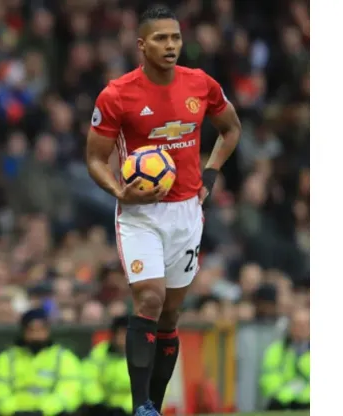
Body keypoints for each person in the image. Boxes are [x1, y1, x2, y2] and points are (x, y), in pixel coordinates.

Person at [84, 6, 242, 416]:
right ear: (141, 45)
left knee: (171, 315)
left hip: (187, 213)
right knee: (150, 300)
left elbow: (231, 129)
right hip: (140, 216)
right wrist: (120, 190)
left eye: (175, 38)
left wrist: (210, 175)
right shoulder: (117, 94)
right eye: (160, 38)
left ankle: (153, 401)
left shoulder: (200, 84)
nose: (170, 45)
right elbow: (96, 159)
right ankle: (141, 407)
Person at [0, 308, 82, 416]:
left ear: (48, 330)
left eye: (40, 330)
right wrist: (14, 411)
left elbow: (69, 390)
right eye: (31, 330)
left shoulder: (63, 358)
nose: (36, 335)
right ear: (23, 331)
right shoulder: (7, 358)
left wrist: (44, 411)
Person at [81, 315, 132, 416]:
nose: (122, 338)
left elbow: (149, 390)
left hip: (133, 410)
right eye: (119, 333)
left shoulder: (144, 356)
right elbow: (88, 378)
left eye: (126, 333)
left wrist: (126, 408)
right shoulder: (100, 352)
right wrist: (97, 402)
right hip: (104, 408)